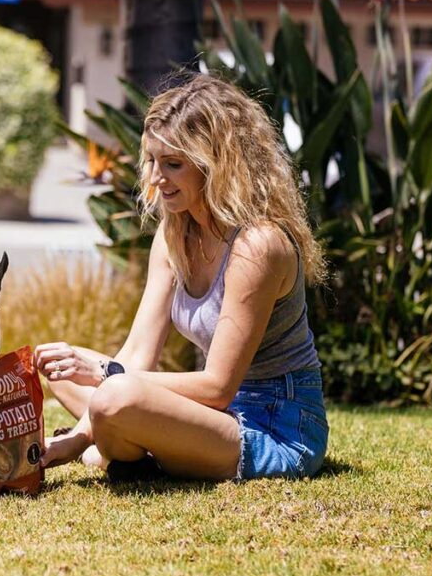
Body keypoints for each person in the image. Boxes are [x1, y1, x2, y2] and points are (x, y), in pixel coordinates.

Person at [36, 74, 329, 482]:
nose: (156, 178)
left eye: (173, 164)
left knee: (114, 395)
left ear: (218, 165)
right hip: (212, 415)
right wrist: (79, 435)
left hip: (272, 427)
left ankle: (124, 451)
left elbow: (217, 387)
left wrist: (101, 385)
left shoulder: (258, 245)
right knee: (61, 367)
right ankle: (124, 448)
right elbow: (137, 354)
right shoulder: (175, 233)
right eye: (153, 161)